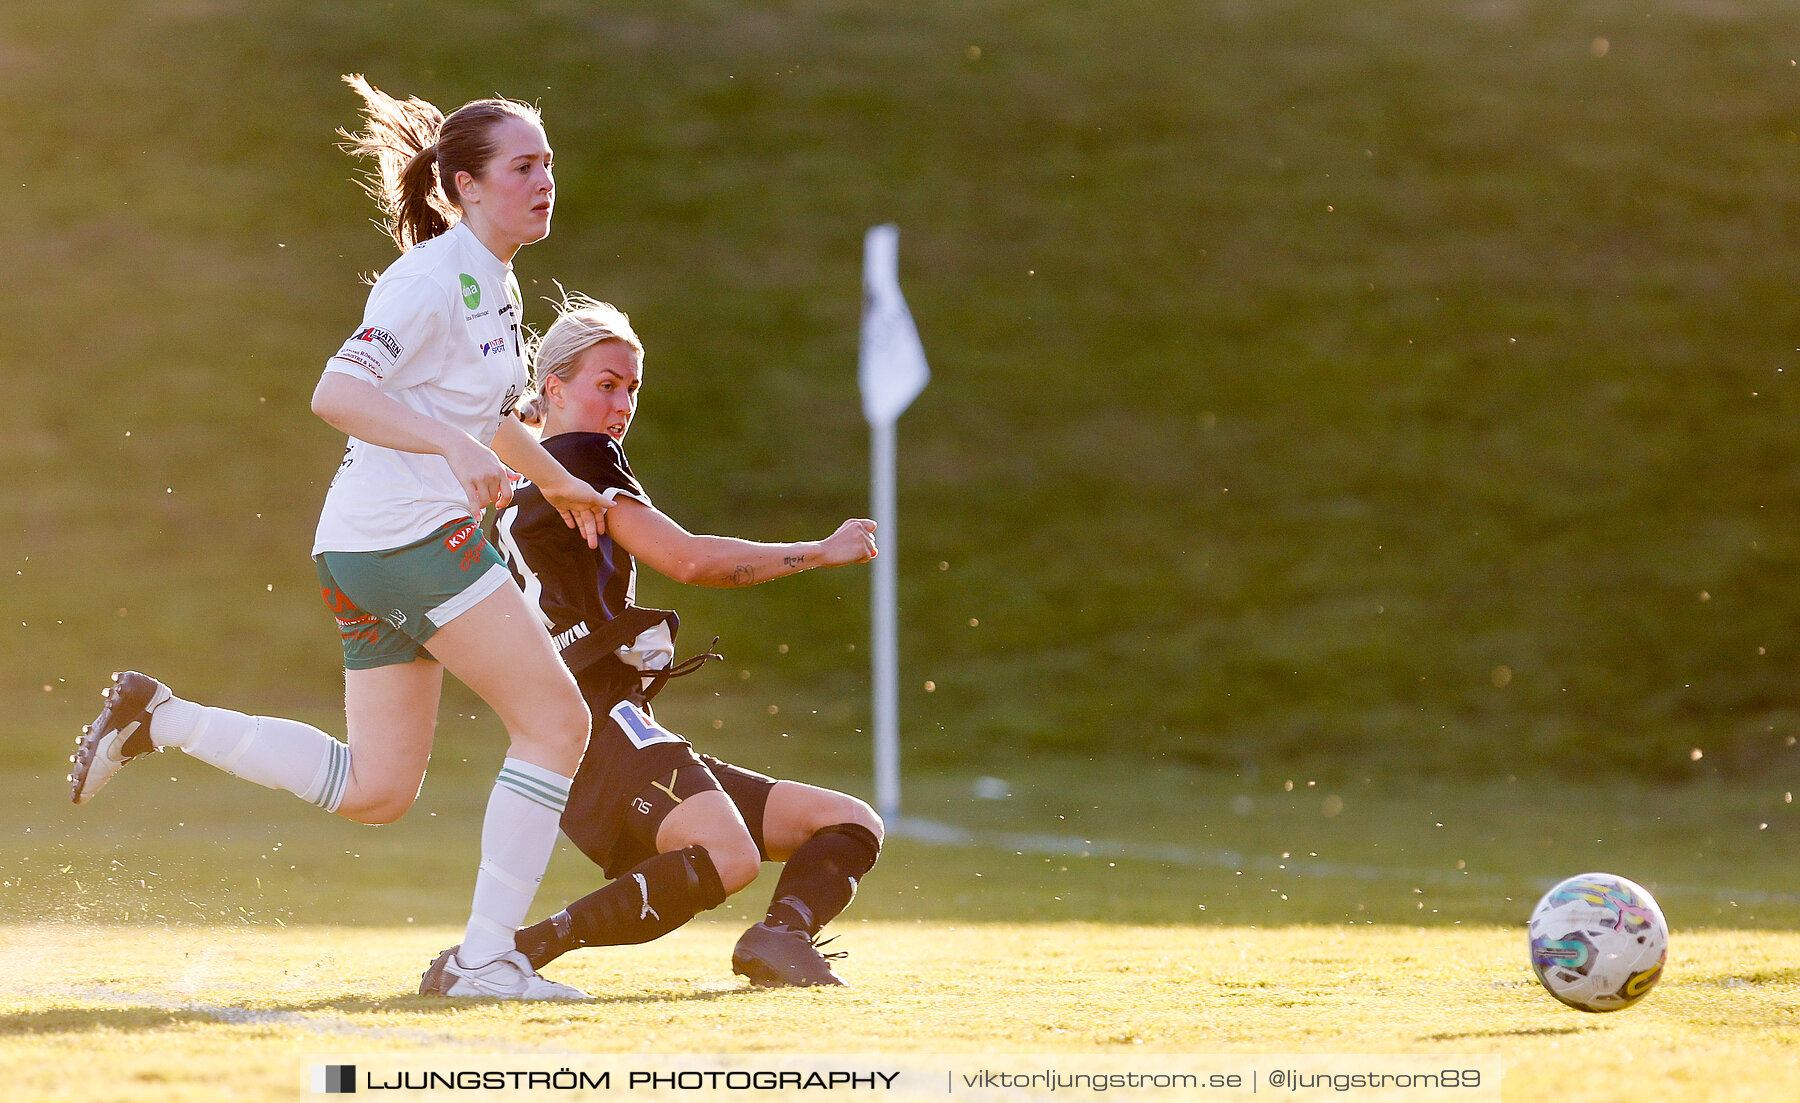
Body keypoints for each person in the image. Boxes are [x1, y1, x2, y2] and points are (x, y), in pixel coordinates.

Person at [69, 76, 608, 1001]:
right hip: (407, 539)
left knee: (377, 791)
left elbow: (482, 411)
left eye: (548, 164)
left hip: (371, 545)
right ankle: (485, 960)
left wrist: (557, 481)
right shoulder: (431, 277)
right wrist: (449, 445)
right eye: (524, 166)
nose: (544, 180)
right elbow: (338, 393)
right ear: (466, 186)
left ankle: (157, 715)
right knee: (557, 722)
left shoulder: (495, 278)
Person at [419, 293, 883, 992]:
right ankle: (509, 955)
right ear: (554, 387)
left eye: (632, 388)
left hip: (588, 724)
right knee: (728, 856)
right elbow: (690, 560)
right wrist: (819, 551)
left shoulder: (515, 469)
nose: (621, 405)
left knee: (847, 822)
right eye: (606, 385)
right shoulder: (580, 457)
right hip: (599, 723)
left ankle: (779, 938)